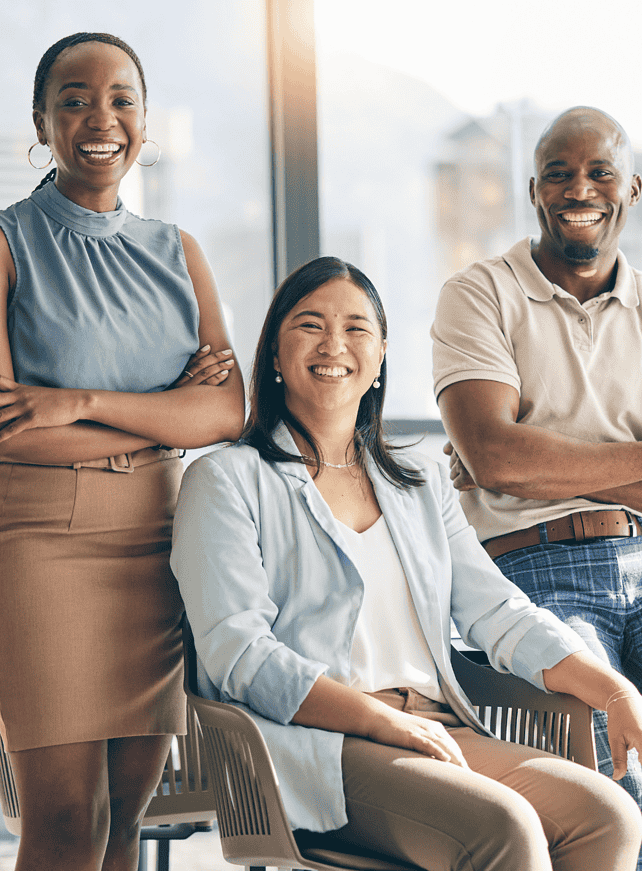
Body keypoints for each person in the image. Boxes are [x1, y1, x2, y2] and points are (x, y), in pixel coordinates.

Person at [172, 255, 642, 871]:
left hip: (432, 724)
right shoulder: (225, 480)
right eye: (309, 325)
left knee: (608, 816)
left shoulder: (418, 483)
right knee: (503, 827)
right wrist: (378, 722)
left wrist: (613, 690)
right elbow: (239, 653)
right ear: (276, 356)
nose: (333, 344)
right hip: (316, 745)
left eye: (356, 328)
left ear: (380, 358)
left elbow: (498, 612)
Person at [0, 32, 244, 871]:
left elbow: (228, 411)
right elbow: (11, 429)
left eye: (121, 100)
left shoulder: (178, 251)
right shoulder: (7, 243)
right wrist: (168, 412)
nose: (100, 119)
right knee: (67, 820)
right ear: (42, 123)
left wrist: (82, 401)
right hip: (42, 541)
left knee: (124, 822)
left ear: (144, 119)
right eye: (73, 101)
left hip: (159, 538)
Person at [431, 105, 642, 856]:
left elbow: (515, 459)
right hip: (532, 569)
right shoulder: (479, 293)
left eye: (600, 172)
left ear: (632, 188)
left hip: (639, 553)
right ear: (533, 191)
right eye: (559, 173)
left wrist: (540, 460)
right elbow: (496, 458)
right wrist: (630, 462)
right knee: (611, 752)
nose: (579, 188)